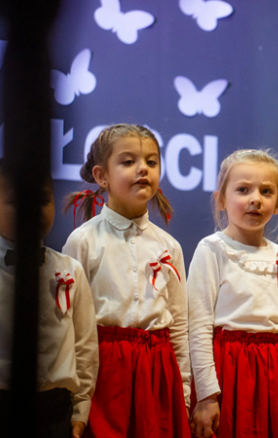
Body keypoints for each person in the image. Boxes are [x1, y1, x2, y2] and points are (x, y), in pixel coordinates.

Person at [62, 124, 190, 438]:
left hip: (157, 372)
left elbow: (179, 325)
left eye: (151, 161)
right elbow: (69, 326)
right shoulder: (83, 241)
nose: (142, 169)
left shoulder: (169, 246)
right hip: (105, 370)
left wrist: (184, 391)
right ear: (102, 176)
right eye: (128, 161)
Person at [188, 149, 278, 438]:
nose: (255, 199)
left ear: (277, 204)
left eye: (266, 191)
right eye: (243, 190)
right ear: (221, 199)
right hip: (230, 370)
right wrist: (207, 395)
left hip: (277, 373)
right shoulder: (212, 249)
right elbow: (198, 328)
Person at [0, 159, 98, 438]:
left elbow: (85, 346)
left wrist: (81, 407)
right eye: (17, 201)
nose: (31, 210)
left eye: (42, 199)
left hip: (54, 410)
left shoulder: (70, 270)